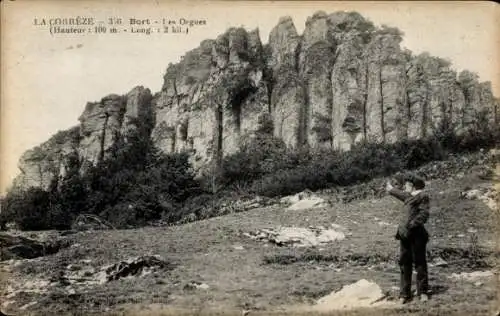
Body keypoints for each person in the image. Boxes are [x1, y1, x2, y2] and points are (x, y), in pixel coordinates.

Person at [386, 174, 430, 304]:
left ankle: (423, 292)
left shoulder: (422, 196)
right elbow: (401, 194)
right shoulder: (409, 196)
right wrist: (390, 189)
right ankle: (405, 294)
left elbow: (424, 215)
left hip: (417, 235)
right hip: (405, 235)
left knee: (420, 263)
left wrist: (410, 225)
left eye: (406, 185)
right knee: (405, 264)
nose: (404, 187)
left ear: (413, 185)